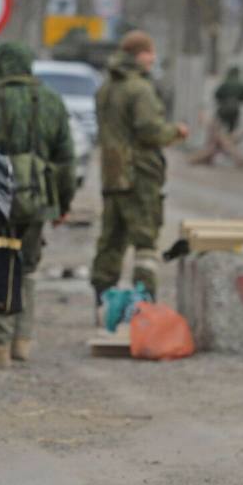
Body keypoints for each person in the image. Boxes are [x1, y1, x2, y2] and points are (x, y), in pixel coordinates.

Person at [0, 41, 76, 368]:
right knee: (27, 267)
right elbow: (66, 159)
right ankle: (22, 340)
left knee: (0, 260)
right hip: (38, 196)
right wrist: (62, 203)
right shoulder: (51, 100)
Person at [89, 30, 189, 301]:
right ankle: (144, 306)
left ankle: (103, 304)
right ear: (138, 54)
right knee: (145, 241)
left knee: (111, 240)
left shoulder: (106, 87)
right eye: (150, 53)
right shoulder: (139, 89)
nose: (153, 58)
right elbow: (149, 131)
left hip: (112, 174)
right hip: (139, 175)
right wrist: (175, 132)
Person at [189, 66, 243, 168]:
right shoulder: (241, 84)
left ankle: (236, 157)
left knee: (217, 134)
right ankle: (213, 155)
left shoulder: (225, 83)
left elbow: (217, 96)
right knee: (226, 136)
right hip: (235, 112)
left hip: (223, 111)